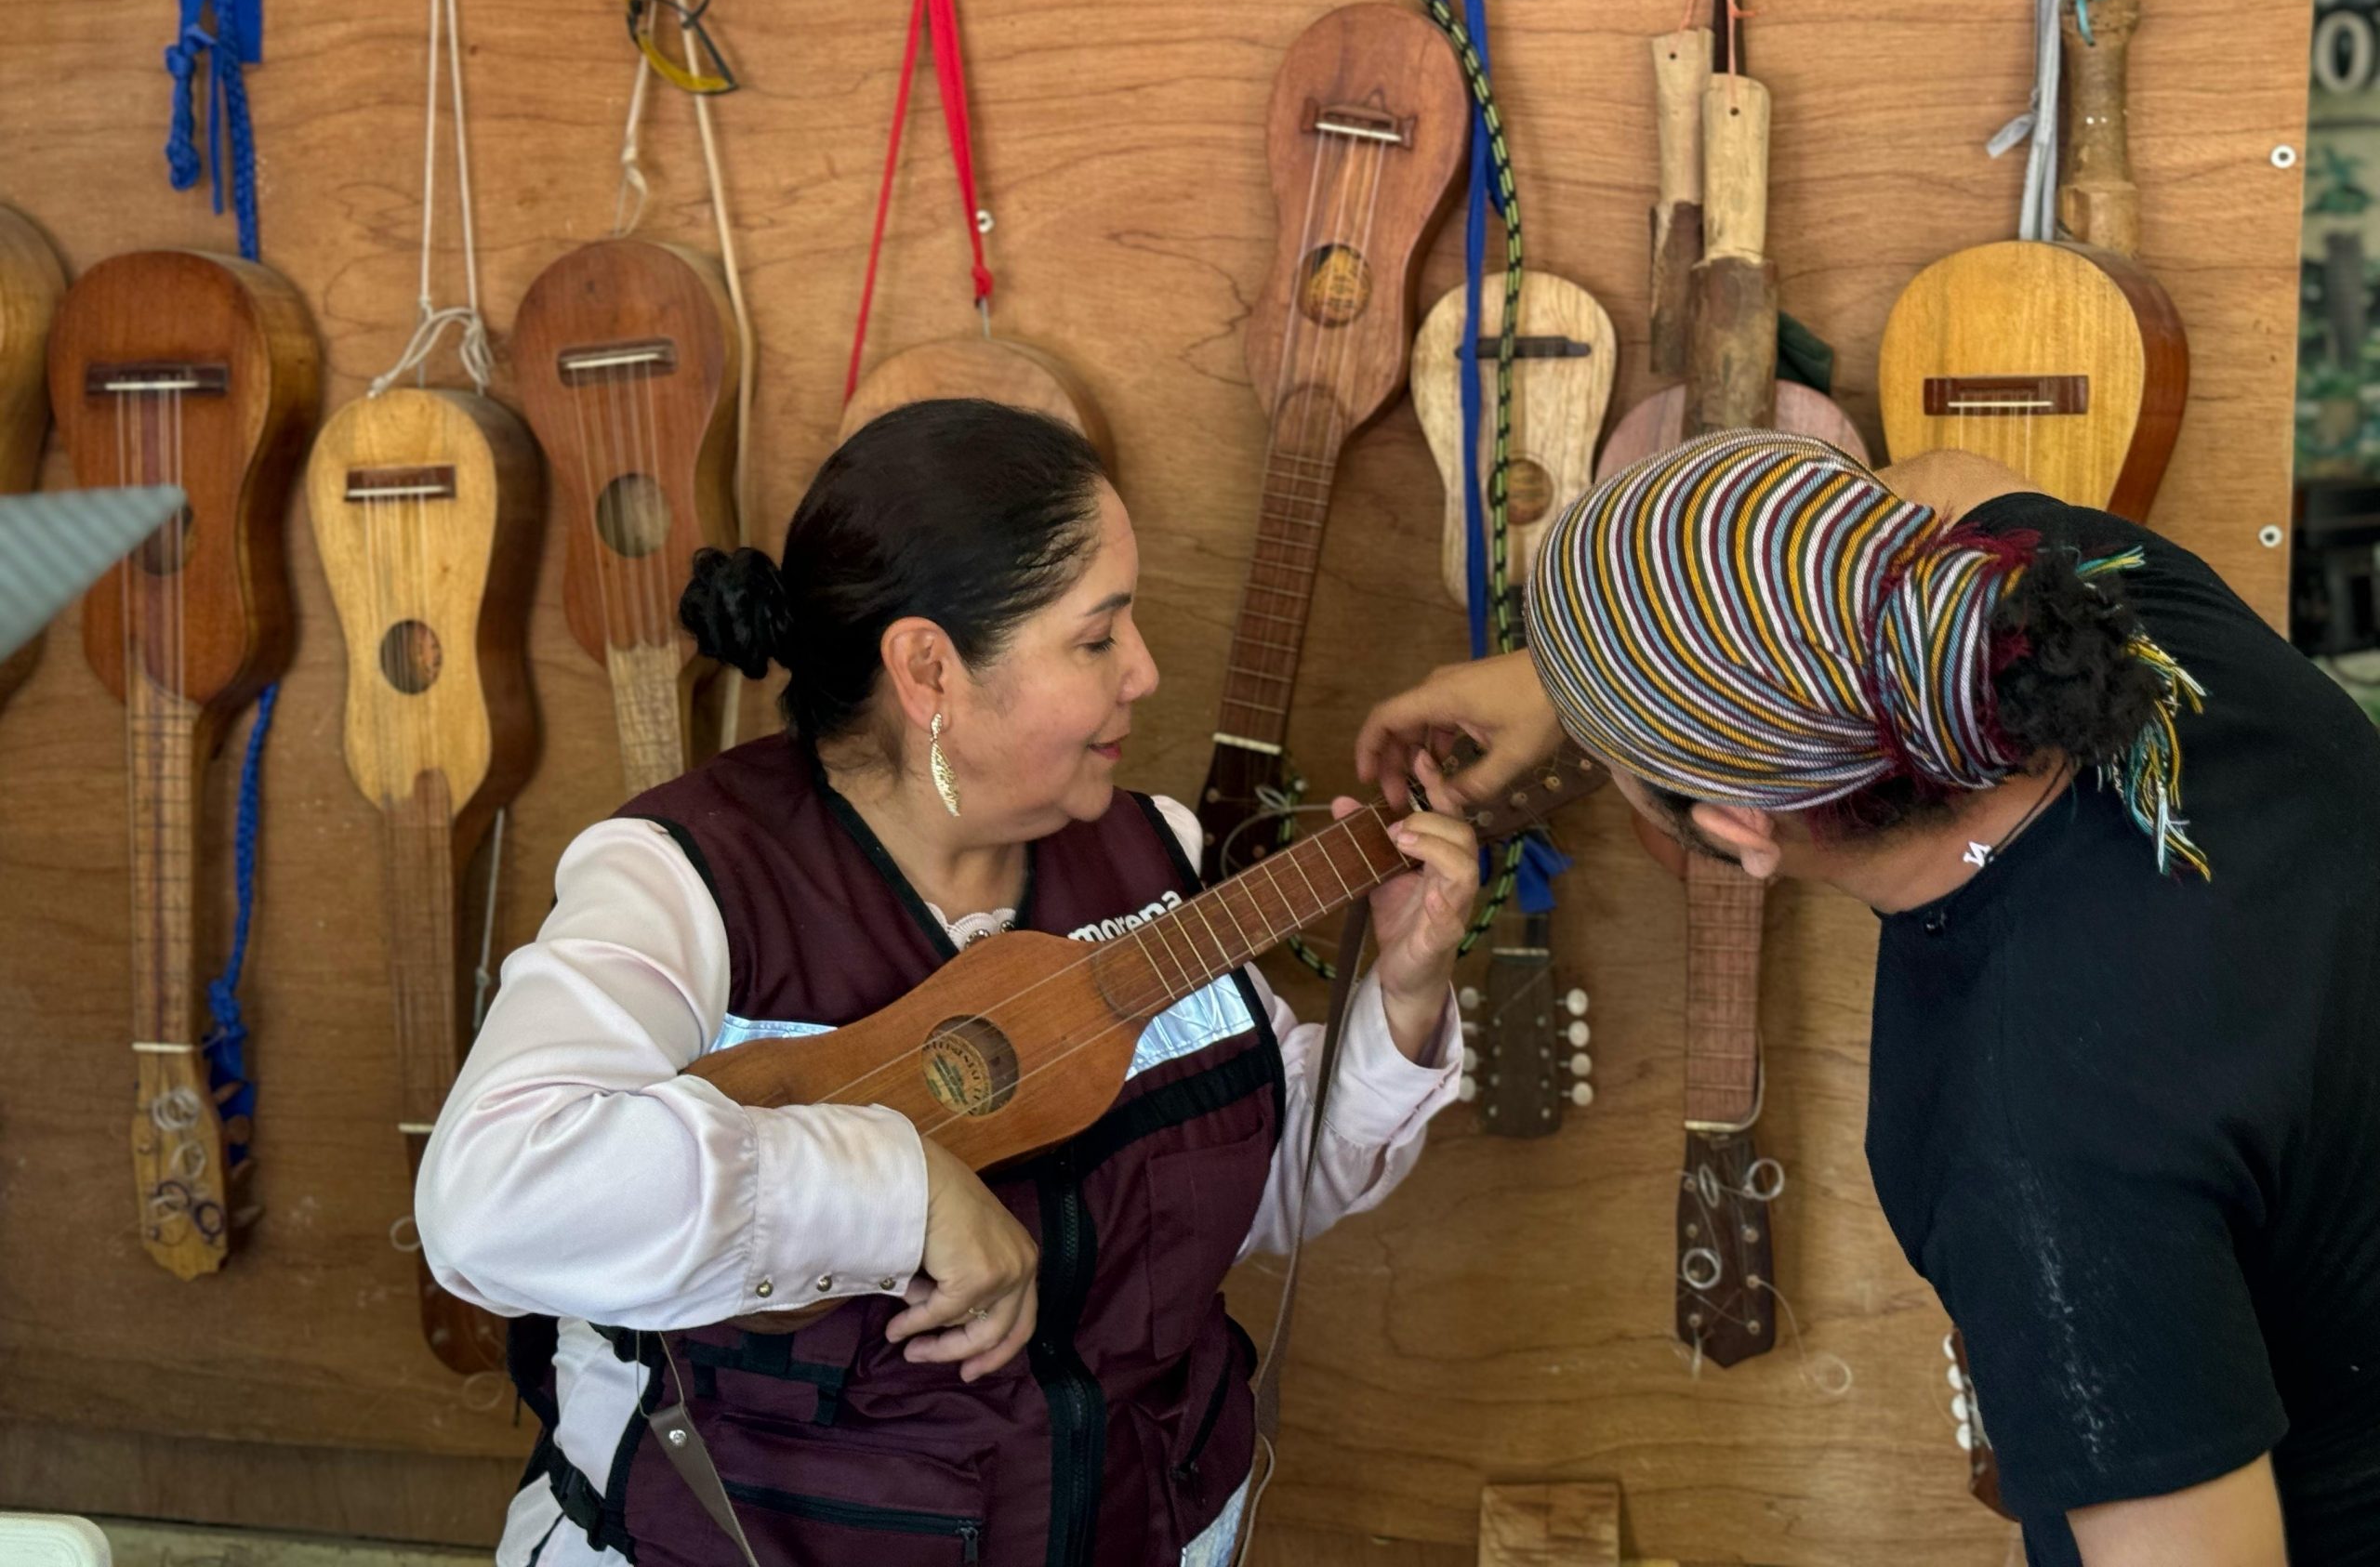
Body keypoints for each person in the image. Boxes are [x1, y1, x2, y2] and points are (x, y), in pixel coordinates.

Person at [418, 399, 1476, 1567]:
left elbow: (1259, 1189)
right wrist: (899, 1191)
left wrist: (1407, 992)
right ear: (929, 668)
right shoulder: (686, 884)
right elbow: (489, 1202)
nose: (1145, 672)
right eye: (1096, 637)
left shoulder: (1149, 854)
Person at [1357, 430, 2380, 1567]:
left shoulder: (2024, 1134)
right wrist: (1574, 673)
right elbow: (1934, 479)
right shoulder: (2107, 602)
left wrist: (1605, 683)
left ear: (1740, 830)